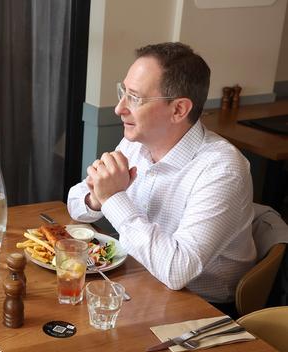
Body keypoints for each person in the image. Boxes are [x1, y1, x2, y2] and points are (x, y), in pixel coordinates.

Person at [67, 42, 256, 313]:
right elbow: (76, 202)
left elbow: (177, 271)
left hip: (201, 310)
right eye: (123, 92)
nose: (119, 108)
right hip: (139, 282)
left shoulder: (223, 170)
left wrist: (113, 197)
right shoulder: (136, 142)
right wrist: (96, 198)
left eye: (135, 98)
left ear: (179, 109)